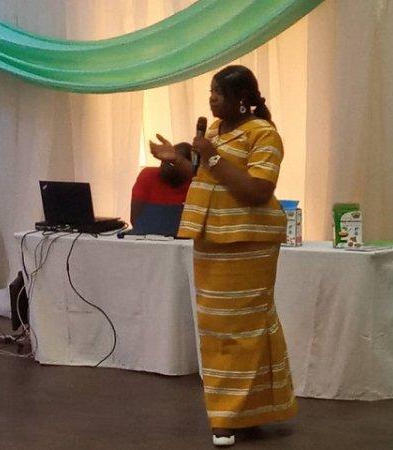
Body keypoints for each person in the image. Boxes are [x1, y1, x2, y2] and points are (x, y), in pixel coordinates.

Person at [149, 65, 296, 446]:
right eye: (210, 93)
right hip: (211, 240)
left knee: (243, 330)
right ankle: (248, 410)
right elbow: (205, 177)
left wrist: (212, 157)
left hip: (249, 243)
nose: (211, 100)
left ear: (242, 99)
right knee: (216, 331)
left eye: (218, 93)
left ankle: (227, 417)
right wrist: (176, 159)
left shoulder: (264, 134)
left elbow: (257, 191)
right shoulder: (213, 132)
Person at [130, 142, 193, 226]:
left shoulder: (196, 183)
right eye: (165, 160)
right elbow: (135, 220)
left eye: (173, 161)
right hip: (147, 232)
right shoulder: (148, 175)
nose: (167, 165)